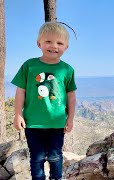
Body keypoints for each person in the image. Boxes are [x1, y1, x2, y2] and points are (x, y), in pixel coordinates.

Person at [12, 21, 77, 180]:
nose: (54, 46)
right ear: (39, 43)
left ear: (66, 47)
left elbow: (71, 96)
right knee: (37, 157)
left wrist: (71, 118)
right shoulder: (29, 66)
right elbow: (21, 91)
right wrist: (18, 114)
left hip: (57, 123)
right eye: (48, 41)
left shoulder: (67, 70)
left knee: (55, 156)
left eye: (59, 43)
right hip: (33, 123)